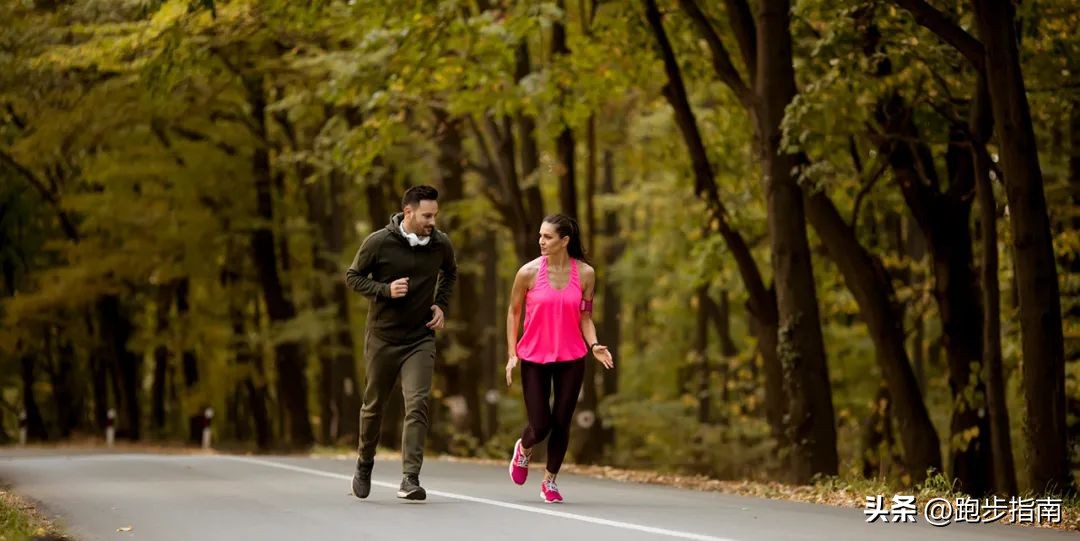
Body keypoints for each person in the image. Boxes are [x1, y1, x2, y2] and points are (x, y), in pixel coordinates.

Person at [345, 185, 457, 501]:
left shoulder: (440, 244)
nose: (432, 222)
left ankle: (410, 478)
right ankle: (364, 462)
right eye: (426, 216)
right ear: (408, 212)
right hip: (383, 337)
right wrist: (385, 290)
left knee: (417, 403)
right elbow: (353, 277)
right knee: (374, 406)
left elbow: (450, 273)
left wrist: (441, 305)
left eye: (435, 215)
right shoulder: (379, 242)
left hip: (420, 338)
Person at [505, 214, 614, 503]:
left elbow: (585, 317)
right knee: (540, 425)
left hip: (571, 356)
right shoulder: (527, 272)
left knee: (562, 421)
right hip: (534, 356)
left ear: (565, 240)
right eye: (540, 235)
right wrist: (512, 353)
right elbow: (514, 312)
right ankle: (524, 449)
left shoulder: (586, 274)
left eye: (548, 237)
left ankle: (549, 481)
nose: (541, 241)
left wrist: (594, 345)